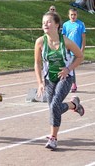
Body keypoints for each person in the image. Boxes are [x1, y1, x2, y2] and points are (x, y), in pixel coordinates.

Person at [34, 12, 85, 150]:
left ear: (57, 24)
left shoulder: (66, 41)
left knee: (55, 105)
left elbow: (80, 56)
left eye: (49, 22)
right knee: (53, 108)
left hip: (65, 77)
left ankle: (53, 138)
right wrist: (40, 83)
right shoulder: (40, 42)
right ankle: (74, 105)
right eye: (43, 22)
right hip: (49, 79)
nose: (45, 24)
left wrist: (68, 69)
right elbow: (37, 64)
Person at [62, 8, 86, 93]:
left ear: (77, 15)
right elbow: (63, 37)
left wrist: (82, 49)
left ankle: (73, 84)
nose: (73, 16)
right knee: (68, 66)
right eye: (71, 14)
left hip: (75, 50)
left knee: (71, 66)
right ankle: (66, 83)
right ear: (68, 15)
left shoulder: (80, 24)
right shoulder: (65, 25)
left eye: (74, 15)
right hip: (67, 49)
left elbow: (83, 38)